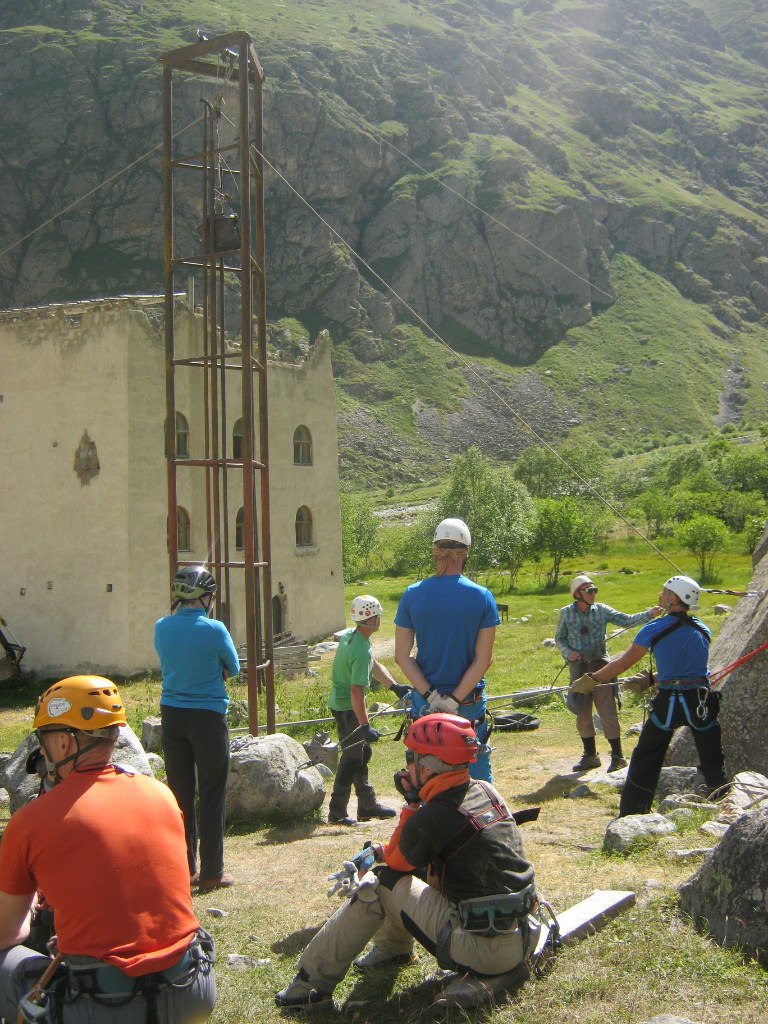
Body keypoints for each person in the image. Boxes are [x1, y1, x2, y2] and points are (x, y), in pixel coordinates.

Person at [275, 713, 540, 1010]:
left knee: (379, 883)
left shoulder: (433, 814)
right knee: (397, 875)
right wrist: (378, 849)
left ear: (426, 767)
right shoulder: (484, 791)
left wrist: (411, 805)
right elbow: (417, 853)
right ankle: (393, 951)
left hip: (485, 951)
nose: (406, 766)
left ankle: (310, 985)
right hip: (524, 933)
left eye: (410, 758)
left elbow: (399, 866)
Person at [0, 675, 216, 1024]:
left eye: (45, 740)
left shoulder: (30, 822)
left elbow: (8, 934)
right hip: (192, 989)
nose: (43, 752)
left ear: (64, 742)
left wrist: (28, 910)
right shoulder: (161, 794)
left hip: (105, 1004)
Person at [572, 575, 728, 816]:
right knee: (712, 757)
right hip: (701, 700)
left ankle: (633, 812)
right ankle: (723, 804)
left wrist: (592, 680)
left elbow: (623, 663)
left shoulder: (655, 628)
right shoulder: (702, 628)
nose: (660, 595)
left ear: (673, 598)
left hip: (671, 702)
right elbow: (692, 668)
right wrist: (654, 678)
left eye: (664, 591)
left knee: (646, 757)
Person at [154, 566, 239, 893]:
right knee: (212, 794)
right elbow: (233, 667)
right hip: (207, 717)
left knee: (180, 795)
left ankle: (184, 869)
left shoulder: (161, 627)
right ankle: (212, 872)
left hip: (172, 715)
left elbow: (168, 660)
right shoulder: (215, 629)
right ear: (205, 597)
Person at [395, 518, 499, 782]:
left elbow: (402, 656)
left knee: (428, 773)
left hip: (425, 704)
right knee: (475, 774)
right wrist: (453, 701)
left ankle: (432, 821)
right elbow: (483, 659)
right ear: (466, 551)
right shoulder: (481, 597)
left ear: (435, 551)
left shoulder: (412, 594)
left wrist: (432, 698)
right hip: (468, 704)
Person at [556, 574, 661, 773]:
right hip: (578, 668)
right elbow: (559, 638)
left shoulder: (602, 610)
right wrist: (568, 653)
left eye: (595, 590)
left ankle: (617, 757)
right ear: (577, 594)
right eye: (589, 590)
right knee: (582, 711)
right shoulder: (565, 613)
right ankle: (590, 756)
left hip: (602, 667)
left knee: (607, 710)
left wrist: (650, 614)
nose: (593, 593)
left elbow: (626, 620)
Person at [328, 594, 410, 826]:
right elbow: (356, 691)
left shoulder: (352, 637)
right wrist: (364, 725)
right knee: (352, 757)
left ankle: (366, 804)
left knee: (362, 754)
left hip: (342, 704)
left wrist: (394, 686)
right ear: (372, 620)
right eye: (379, 616)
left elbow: (373, 664)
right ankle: (337, 811)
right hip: (347, 707)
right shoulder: (361, 649)